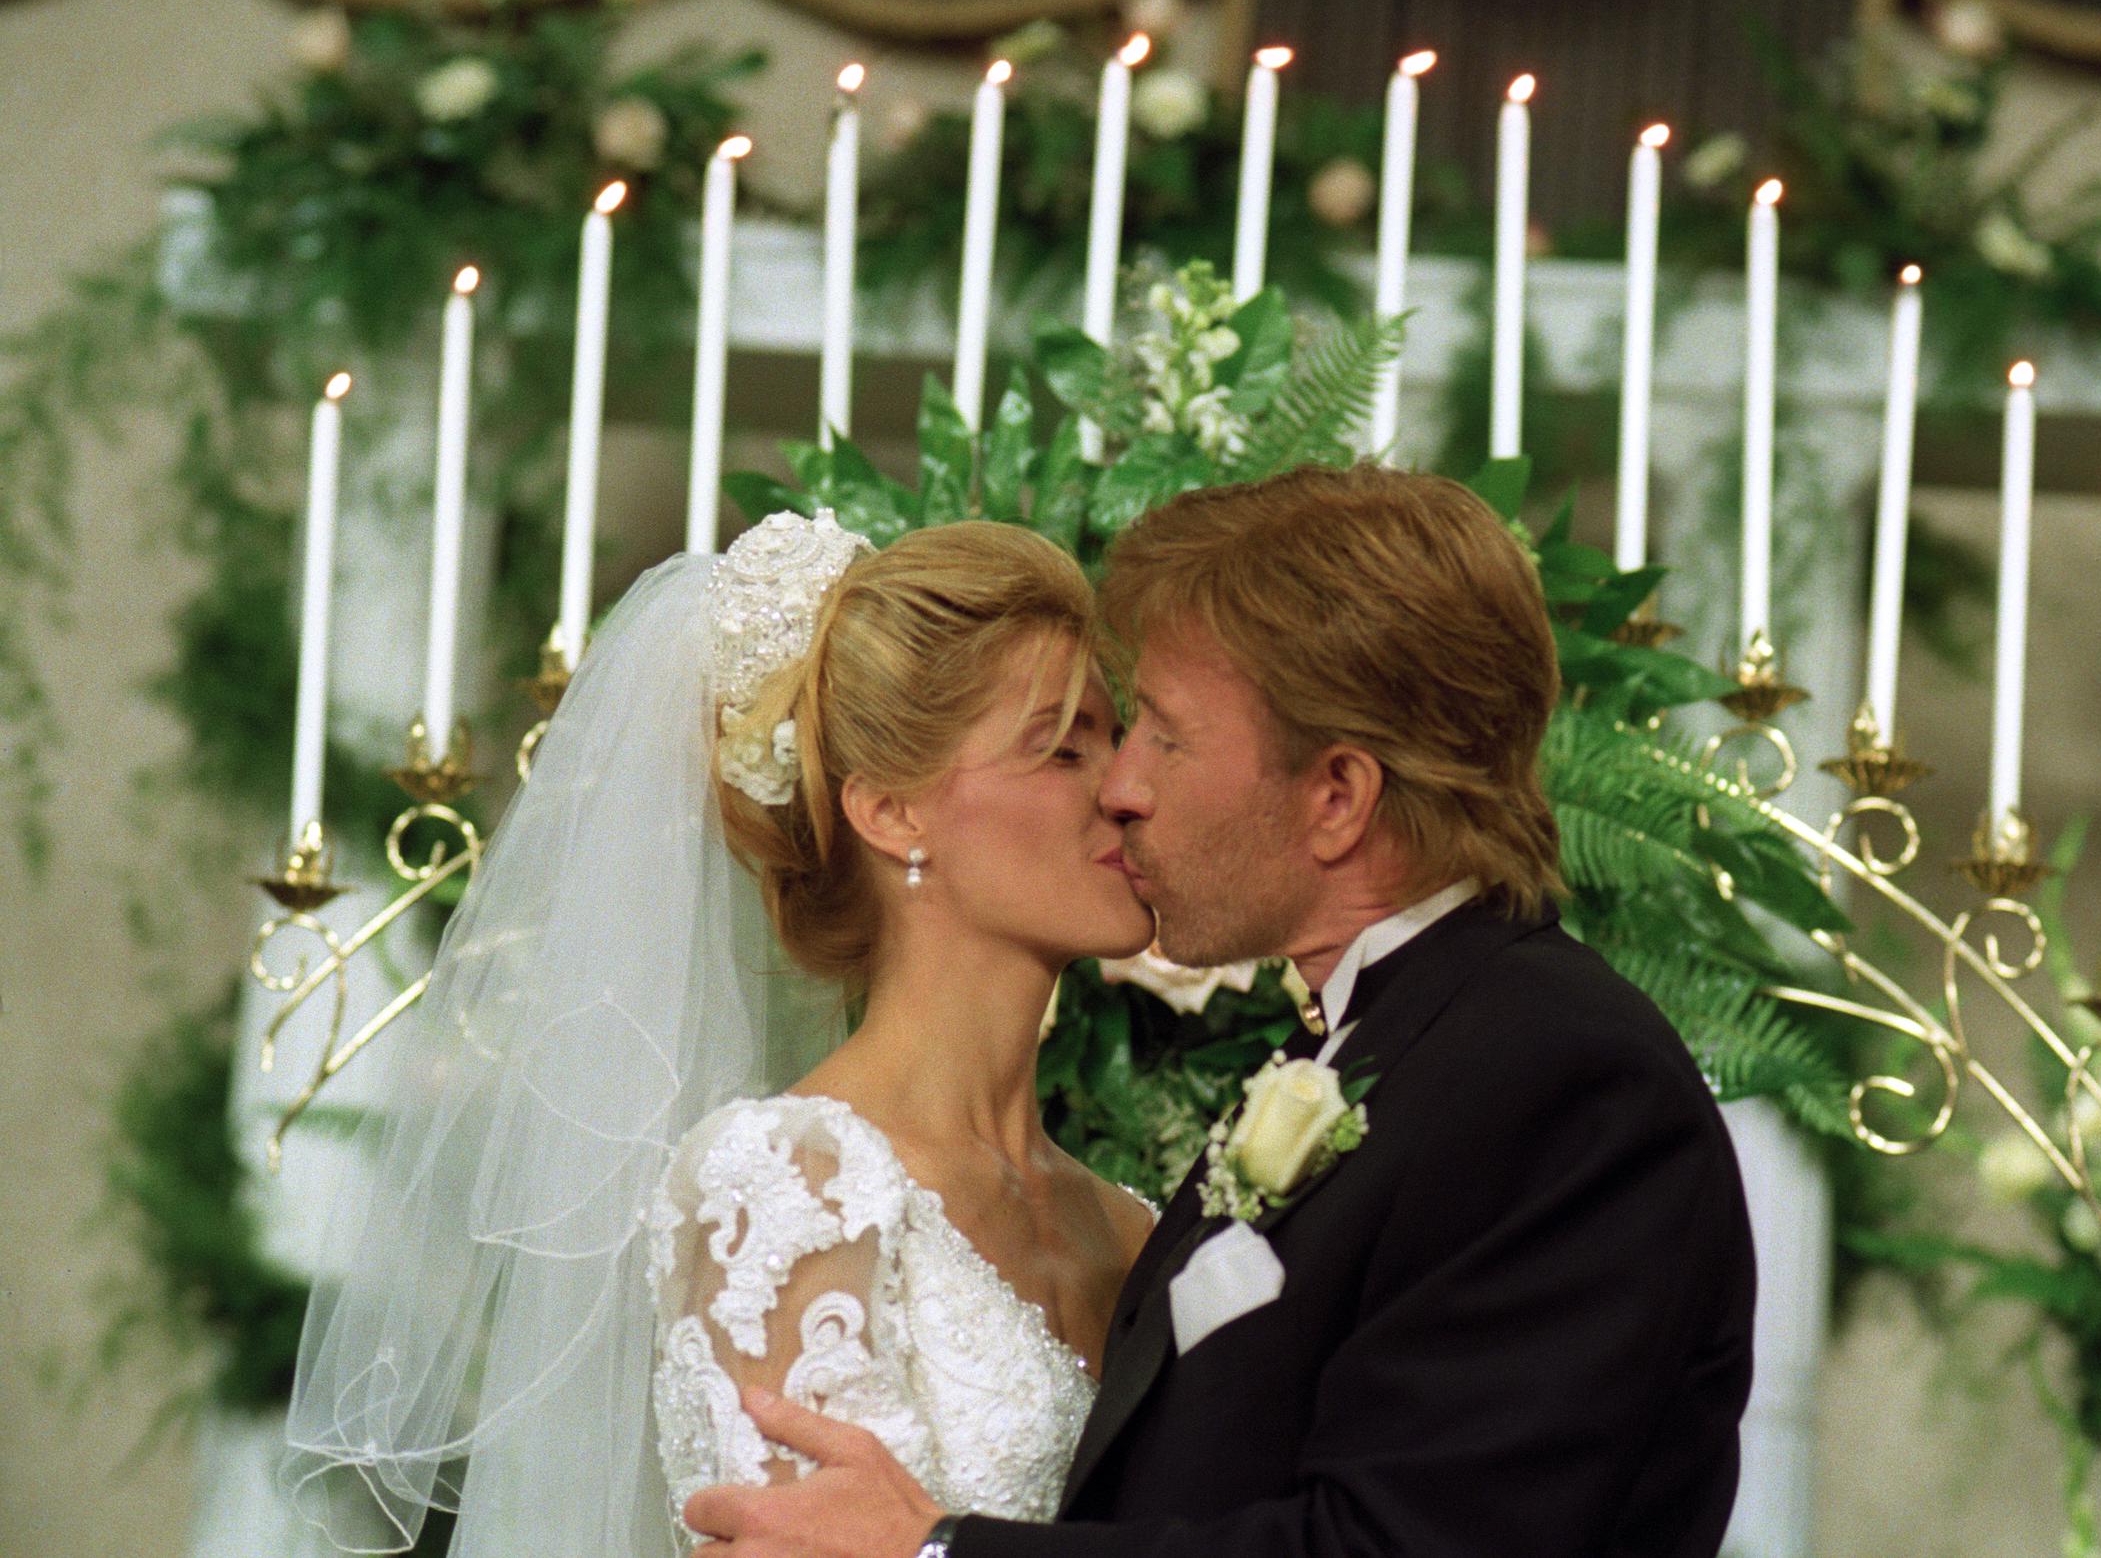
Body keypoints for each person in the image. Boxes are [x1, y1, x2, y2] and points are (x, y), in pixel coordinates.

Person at [679, 464, 1758, 1558]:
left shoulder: (1557, 1080)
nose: (1121, 786)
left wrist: (938, 1553)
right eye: (1074, 742)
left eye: (1159, 731)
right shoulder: (1362, 1053)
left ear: (1336, 797)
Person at [282, 512, 1162, 1558]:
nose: (1123, 790)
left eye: (1118, 737)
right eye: (1061, 749)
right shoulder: (786, 1185)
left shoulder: (1137, 1225)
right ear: (892, 815)